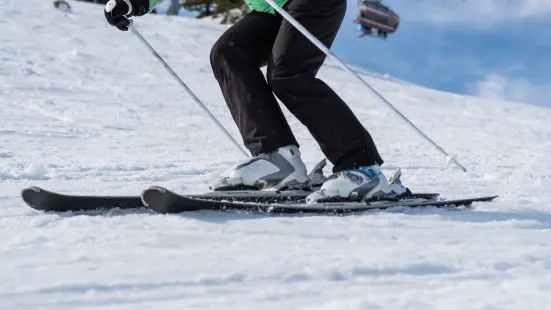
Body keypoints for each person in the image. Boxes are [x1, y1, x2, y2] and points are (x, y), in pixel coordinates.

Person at [104, 0, 403, 203]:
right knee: (228, 52)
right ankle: (278, 159)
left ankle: (362, 168)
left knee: (288, 74)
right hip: (272, 9)